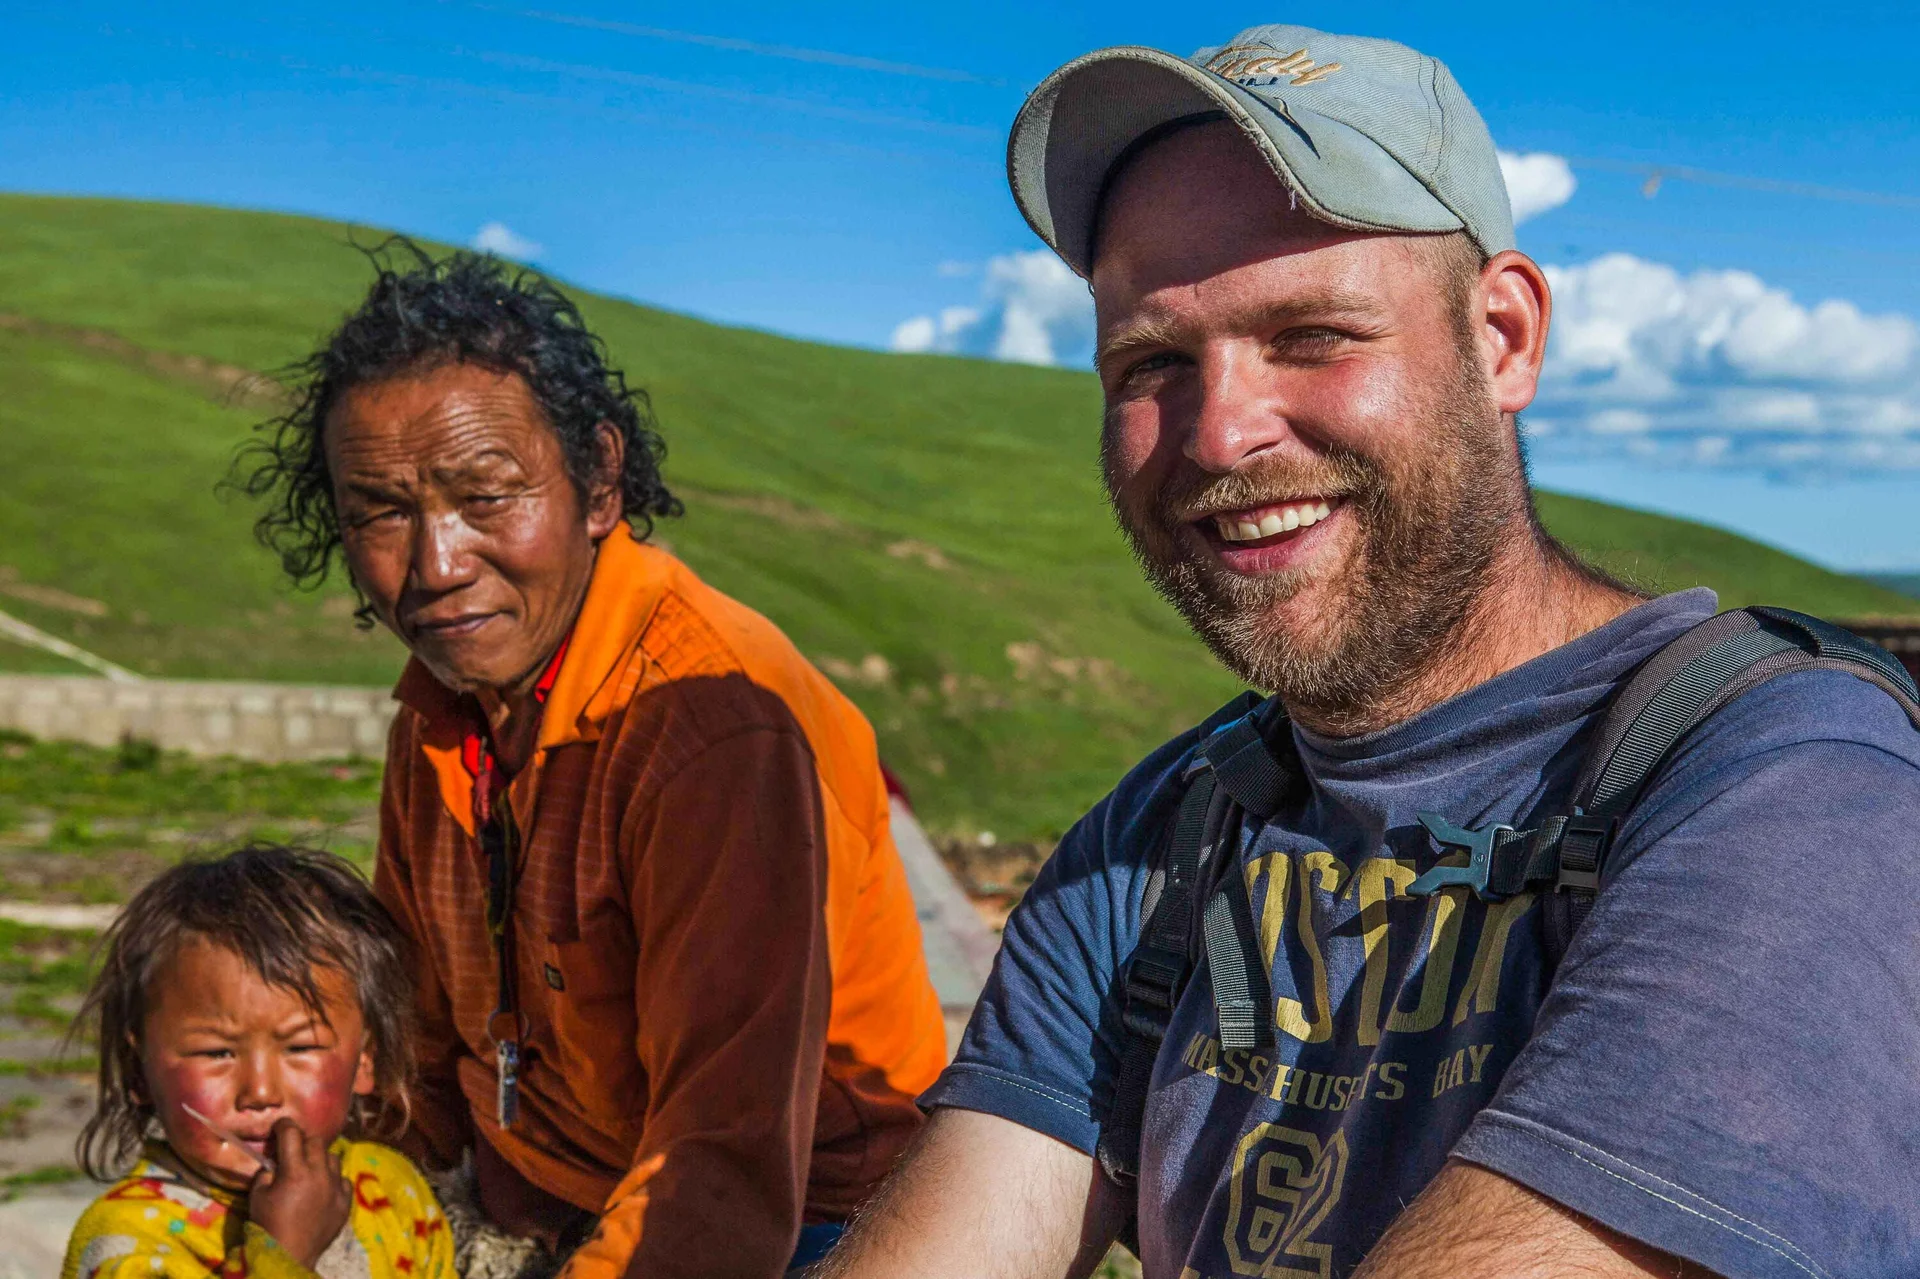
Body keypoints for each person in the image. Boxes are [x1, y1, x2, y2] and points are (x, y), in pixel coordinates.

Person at [821, 23, 1920, 1279]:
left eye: (1313, 335)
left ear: (1501, 338)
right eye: (1152, 360)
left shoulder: (1790, 782)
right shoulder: (1160, 841)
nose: (1222, 431)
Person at [231, 246, 947, 1278]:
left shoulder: (708, 727)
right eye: (381, 512)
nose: (435, 567)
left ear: (599, 480)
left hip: (788, 1225)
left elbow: (724, 1172)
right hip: (534, 1189)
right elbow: (421, 1047)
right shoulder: (439, 708)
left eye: (486, 495)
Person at [62, 843, 452, 1279]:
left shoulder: (390, 1187)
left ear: (364, 1060)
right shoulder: (126, 1242)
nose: (260, 1093)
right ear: (140, 1072)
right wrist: (282, 1252)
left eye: (300, 1048)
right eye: (217, 1053)